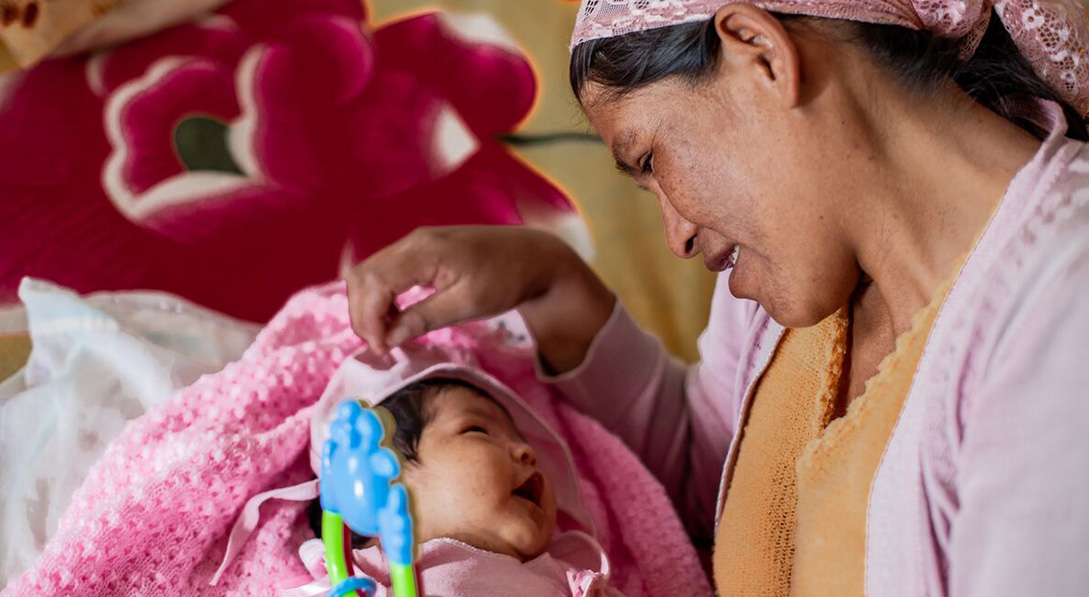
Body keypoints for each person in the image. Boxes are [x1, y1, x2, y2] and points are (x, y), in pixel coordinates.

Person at [344, 1, 1089, 595]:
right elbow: (711, 490)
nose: (676, 236)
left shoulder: (1059, 312)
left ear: (759, 54)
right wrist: (548, 280)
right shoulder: (791, 276)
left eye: (650, 159)